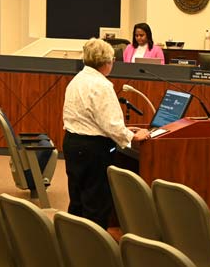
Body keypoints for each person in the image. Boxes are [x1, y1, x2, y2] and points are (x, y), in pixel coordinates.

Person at [64, 38, 151, 228]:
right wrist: (132, 136)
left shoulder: (76, 80)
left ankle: (73, 244)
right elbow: (110, 123)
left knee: (77, 199)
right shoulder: (102, 85)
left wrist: (123, 131)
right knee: (96, 204)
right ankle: (94, 251)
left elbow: (92, 118)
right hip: (93, 149)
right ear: (106, 62)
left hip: (72, 143)